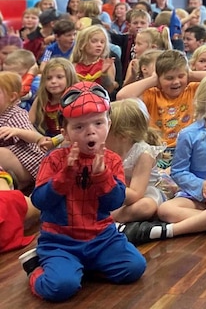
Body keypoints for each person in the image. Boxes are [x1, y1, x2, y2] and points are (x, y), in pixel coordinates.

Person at [20, 82, 146, 301]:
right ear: (65, 132)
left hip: (102, 238)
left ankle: (81, 268)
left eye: (98, 123)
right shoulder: (54, 159)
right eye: (79, 127)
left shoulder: (112, 160)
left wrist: (102, 177)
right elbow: (40, 201)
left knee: (135, 267)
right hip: (60, 240)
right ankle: (36, 268)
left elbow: (115, 202)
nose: (91, 131)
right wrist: (63, 177)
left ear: (109, 123)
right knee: (60, 288)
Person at [123, 73, 206, 244]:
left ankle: (179, 229)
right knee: (165, 210)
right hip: (195, 195)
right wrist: (200, 186)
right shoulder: (188, 135)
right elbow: (178, 171)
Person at [116, 50, 206, 157]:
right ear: (159, 79)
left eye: (181, 76)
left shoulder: (192, 89)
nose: (176, 82)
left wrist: (191, 74)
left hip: (188, 149)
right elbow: (122, 96)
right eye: (169, 78)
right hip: (158, 150)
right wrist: (153, 80)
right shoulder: (151, 93)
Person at [105, 99, 168, 224]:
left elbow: (136, 194)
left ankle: (108, 218)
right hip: (120, 197)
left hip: (144, 194)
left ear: (123, 136)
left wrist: (106, 184)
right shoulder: (106, 149)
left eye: (103, 128)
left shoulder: (144, 154)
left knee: (145, 206)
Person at [0, 72, 46, 190]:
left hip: (30, 163)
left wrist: (17, 131)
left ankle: (24, 183)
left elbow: (36, 137)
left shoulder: (16, 114)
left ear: (12, 97)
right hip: (13, 165)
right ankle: (16, 184)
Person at [29, 58, 78, 150]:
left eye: (59, 77)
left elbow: (76, 129)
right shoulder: (41, 99)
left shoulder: (75, 99)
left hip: (68, 138)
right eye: (49, 78)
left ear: (70, 78)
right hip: (46, 137)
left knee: (66, 145)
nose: (53, 81)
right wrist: (39, 138)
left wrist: (54, 142)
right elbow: (28, 122)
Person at [71, 25, 117, 93]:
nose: (99, 45)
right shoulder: (73, 66)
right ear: (81, 44)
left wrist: (104, 74)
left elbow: (109, 90)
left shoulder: (107, 64)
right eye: (94, 41)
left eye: (102, 42)